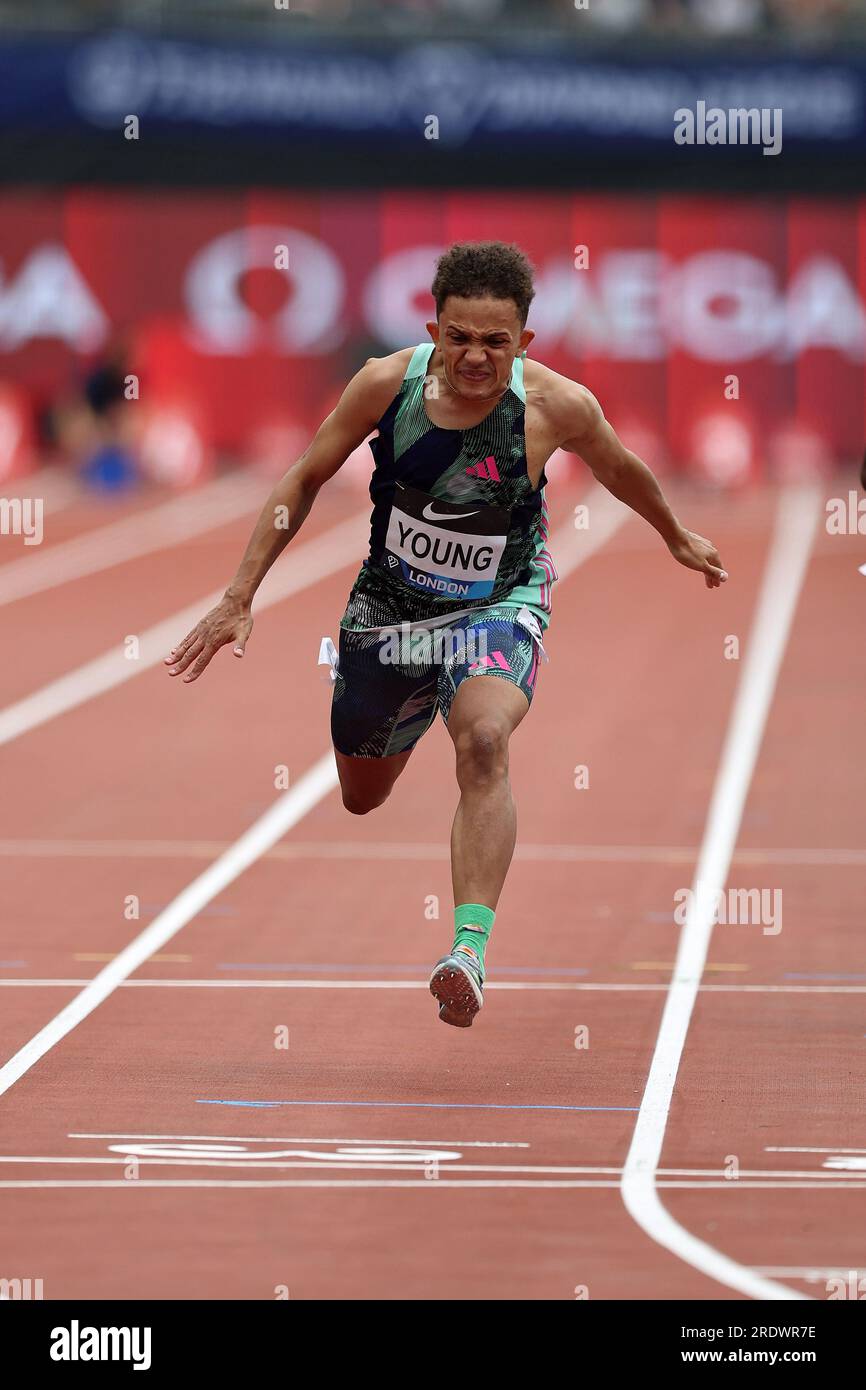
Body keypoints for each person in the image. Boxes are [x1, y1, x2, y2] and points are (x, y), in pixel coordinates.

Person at [165, 241, 727, 1028]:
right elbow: (303, 477)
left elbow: (619, 466)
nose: (475, 356)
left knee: (485, 740)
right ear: (434, 330)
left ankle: (468, 950)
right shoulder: (384, 385)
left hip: (499, 604)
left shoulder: (557, 405)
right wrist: (239, 594)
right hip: (388, 615)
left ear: (524, 342)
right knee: (362, 796)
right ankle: (409, 702)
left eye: (495, 341)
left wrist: (674, 534)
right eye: (459, 337)